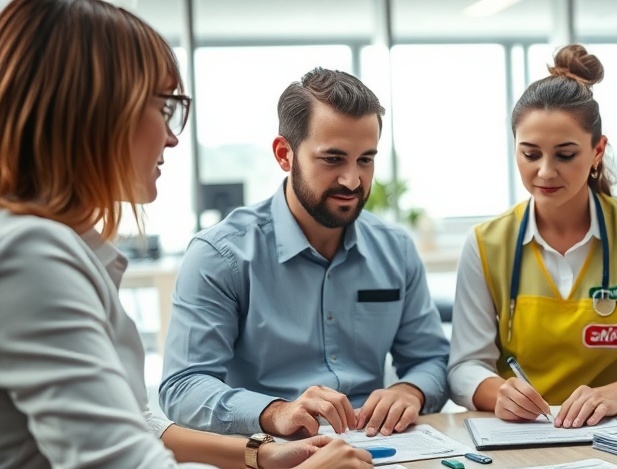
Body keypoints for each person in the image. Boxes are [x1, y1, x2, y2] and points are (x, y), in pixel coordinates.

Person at [0, 1, 375, 469]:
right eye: (165, 109)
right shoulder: (31, 258)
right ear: (95, 112)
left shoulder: (53, 246)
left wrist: (263, 454)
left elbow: (133, 421)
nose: (174, 140)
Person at [159, 68, 449, 439]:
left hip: (384, 449)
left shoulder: (396, 248)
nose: (352, 180)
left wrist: (410, 390)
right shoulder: (220, 255)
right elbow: (183, 386)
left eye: (365, 160)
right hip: (269, 454)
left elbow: (431, 359)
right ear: (285, 154)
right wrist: (274, 411)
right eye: (332, 159)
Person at [447, 44, 617, 427]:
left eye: (565, 155)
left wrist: (613, 394)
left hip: (614, 429)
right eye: (530, 154)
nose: (546, 172)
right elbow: (465, 366)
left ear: (598, 151)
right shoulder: (485, 243)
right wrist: (499, 393)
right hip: (519, 433)